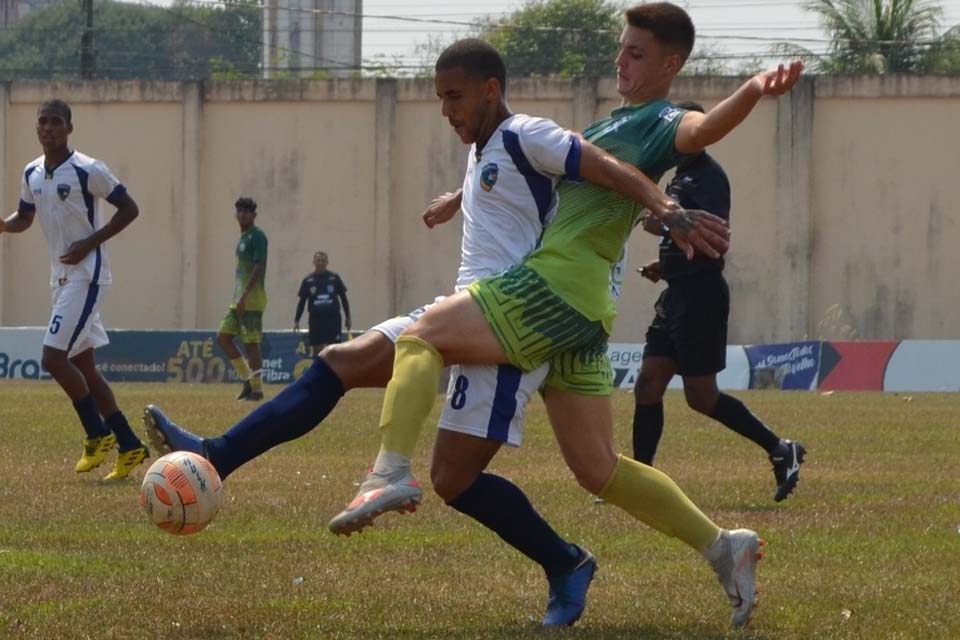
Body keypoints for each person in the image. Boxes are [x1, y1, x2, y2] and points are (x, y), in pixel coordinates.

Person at [143, 38, 725, 627]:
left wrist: (664, 206)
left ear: (490, 90)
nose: (446, 110)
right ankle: (217, 454)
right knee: (341, 362)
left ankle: (562, 560)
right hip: (465, 309)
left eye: (455, 96)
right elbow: (512, 191)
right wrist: (458, 198)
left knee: (455, 478)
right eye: (440, 98)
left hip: (512, 328)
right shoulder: (486, 147)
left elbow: (599, 165)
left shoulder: (527, 130)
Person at [331, 3, 802, 628]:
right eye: (621, 48)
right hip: (586, 310)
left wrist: (752, 89)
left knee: (423, 335)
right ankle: (725, 547)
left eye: (636, 53)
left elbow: (702, 129)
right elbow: (551, 177)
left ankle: (389, 472)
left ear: (670, 64)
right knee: (598, 469)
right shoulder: (616, 121)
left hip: (554, 290)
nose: (621, 60)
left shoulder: (664, 118)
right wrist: (459, 197)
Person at [633, 101, 806, 501]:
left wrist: (658, 217)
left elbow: (683, 225)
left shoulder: (705, 177)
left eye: (679, 131)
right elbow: (677, 231)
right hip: (677, 293)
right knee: (648, 383)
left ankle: (782, 449)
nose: (673, 140)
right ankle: (640, 482)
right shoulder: (683, 175)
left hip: (701, 297)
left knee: (701, 396)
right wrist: (665, 265)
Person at [0, 99, 149, 480]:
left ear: (69, 128)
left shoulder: (88, 170)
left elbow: (129, 209)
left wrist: (89, 243)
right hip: (61, 279)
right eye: (42, 122)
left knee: (52, 358)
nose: (48, 128)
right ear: (36, 128)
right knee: (85, 367)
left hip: (88, 274)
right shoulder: (32, 172)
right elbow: (25, 217)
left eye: (56, 122)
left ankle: (97, 434)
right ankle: (130, 446)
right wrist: (3, 224)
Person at [218, 196, 268, 402]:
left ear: (254, 215)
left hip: (251, 300)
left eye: (247, 211)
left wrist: (245, 297)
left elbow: (259, 266)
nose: (242, 215)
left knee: (251, 345)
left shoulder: (258, 236)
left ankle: (257, 390)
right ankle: (247, 380)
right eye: (239, 211)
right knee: (223, 337)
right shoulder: (243, 238)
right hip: (238, 300)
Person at [294, 251, 351, 357]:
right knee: (317, 350)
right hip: (316, 321)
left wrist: (348, 317)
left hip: (333, 320)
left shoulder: (334, 278)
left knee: (334, 350)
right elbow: (302, 302)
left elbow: (344, 299)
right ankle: (320, 372)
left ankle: (333, 373)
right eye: (318, 260)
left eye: (323, 261)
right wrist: (297, 320)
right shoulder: (308, 280)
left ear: (327, 262)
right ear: (314, 262)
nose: (321, 263)